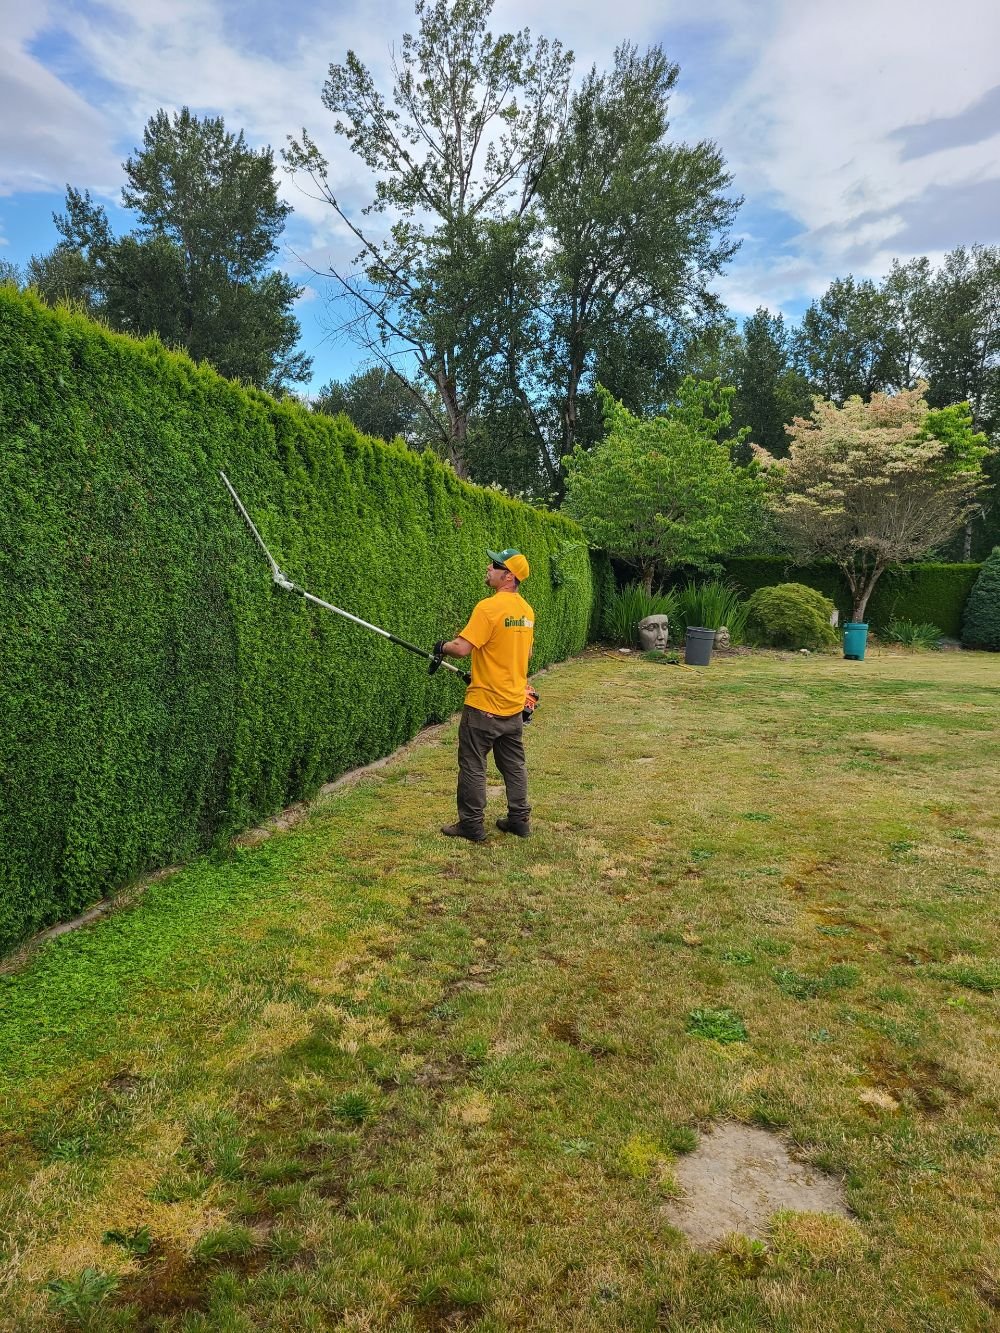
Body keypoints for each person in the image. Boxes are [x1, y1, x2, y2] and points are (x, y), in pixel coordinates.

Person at [434, 549, 535, 842]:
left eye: (494, 565)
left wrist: (442, 646)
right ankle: (519, 819)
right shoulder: (527, 612)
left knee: (473, 763)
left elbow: (462, 648)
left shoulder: (488, 608)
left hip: (484, 706)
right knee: (514, 765)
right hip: (514, 704)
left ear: (509, 575)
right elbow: (525, 653)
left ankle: (471, 825)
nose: (488, 567)